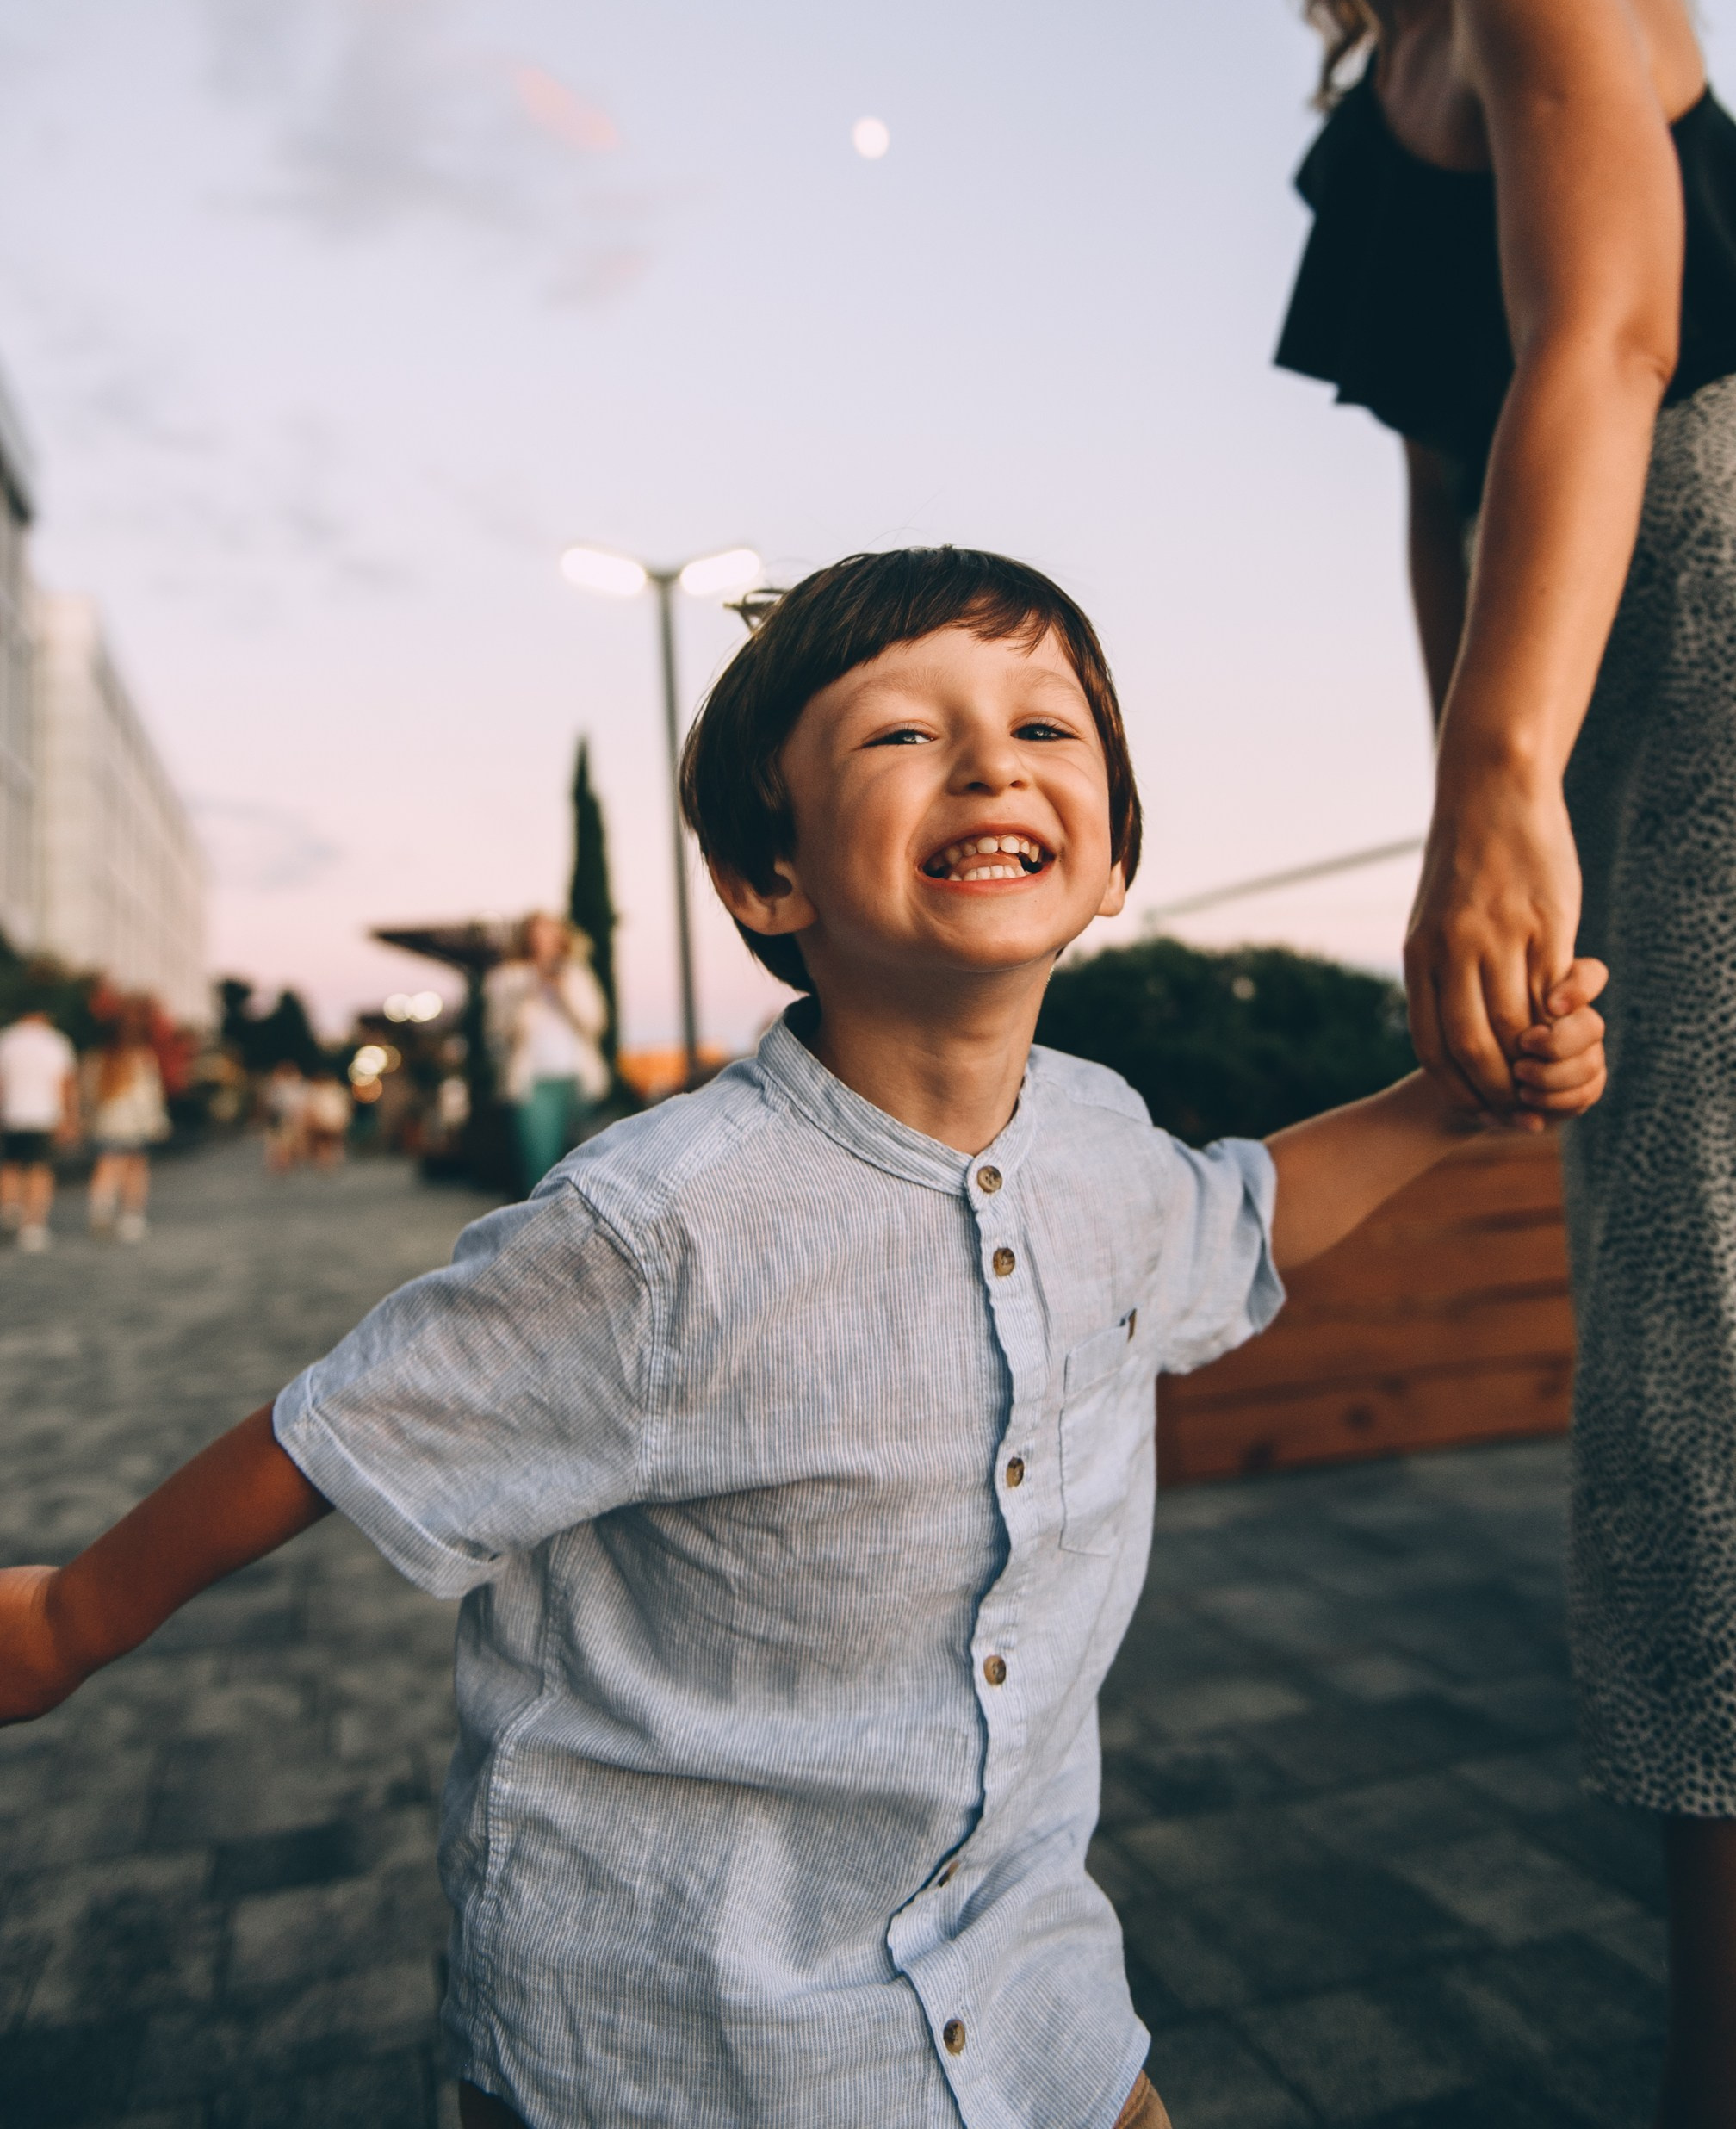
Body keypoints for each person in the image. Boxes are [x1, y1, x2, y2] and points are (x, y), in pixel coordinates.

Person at [0, 549, 1605, 2129]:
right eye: (902, 732)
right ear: (769, 880)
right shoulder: (655, 1225)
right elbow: (338, 1431)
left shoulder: (1107, 1142)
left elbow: (1241, 1216)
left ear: (1114, 853)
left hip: (1022, 1951)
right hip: (678, 2014)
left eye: (1046, 727)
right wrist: (74, 1615)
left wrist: (1448, 1102)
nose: (989, 757)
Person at [1193, 0, 1736, 2112]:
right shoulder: (1373, 104)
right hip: (1619, 718)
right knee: (1679, 1357)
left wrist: (1513, 775)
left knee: (1709, 1352)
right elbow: (1451, 479)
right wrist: (1468, 810)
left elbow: (1608, 343)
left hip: (1711, 655)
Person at [483, 910, 611, 1194]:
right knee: (537, 1164)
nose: (542, 941)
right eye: (535, 934)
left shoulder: (577, 974)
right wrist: (530, 992)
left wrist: (564, 991)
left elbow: (596, 1023)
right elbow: (497, 1031)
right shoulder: (507, 978)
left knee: (583, 1159)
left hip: (578, 1080)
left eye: (548, 933)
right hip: (532, 1083)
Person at [86, 997, 170, 1244]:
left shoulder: (98, 1059)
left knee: (106, 1168)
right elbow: (149, 1096)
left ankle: (100, 1212)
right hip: (135, 1123)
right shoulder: (141, 1058)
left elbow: (90, 1094)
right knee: (136, 1171)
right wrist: (157, 1123)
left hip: (107, 1123)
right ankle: (131, 1218)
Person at [0, 1004, 79, 1254]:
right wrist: (70, 1118)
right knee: (39, 1171)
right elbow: (65, 1083)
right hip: (45, 1115)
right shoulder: (55, 1042)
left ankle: (10, 1207)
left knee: (11, 1166)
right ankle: (33, 1226)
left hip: (12, 1114)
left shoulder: (7, 1040)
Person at [261, 1063, 307, 1174]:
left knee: (285, 1142)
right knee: (280, 1142)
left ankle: (283, 1163)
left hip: (287, 1120)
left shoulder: (286, 1088)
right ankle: (281, 1163)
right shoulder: (277, 1088)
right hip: (279, 1119)